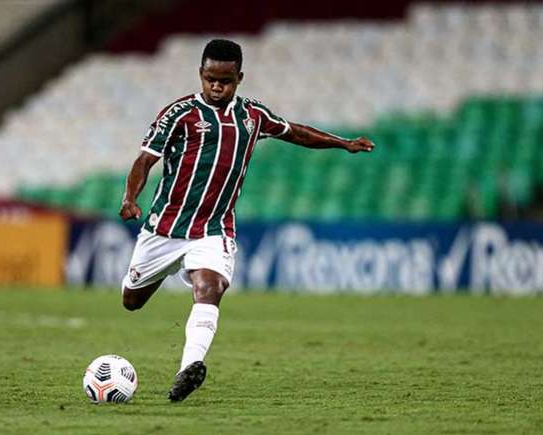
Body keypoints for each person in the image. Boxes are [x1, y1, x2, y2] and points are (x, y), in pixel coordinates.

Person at [118, 39, 374, 402]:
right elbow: (145, 160)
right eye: (210, 79)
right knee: (131, 301)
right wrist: (130, 197)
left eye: (225, 80)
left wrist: (342, 143)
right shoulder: (179, 114)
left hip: (214, 228)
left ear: (239, 78)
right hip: (165, 228)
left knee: (211, 288)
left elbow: (295, 132)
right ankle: (163, 271)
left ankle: (188, 368)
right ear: (200, 75)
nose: (217, 86)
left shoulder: (252, 115)